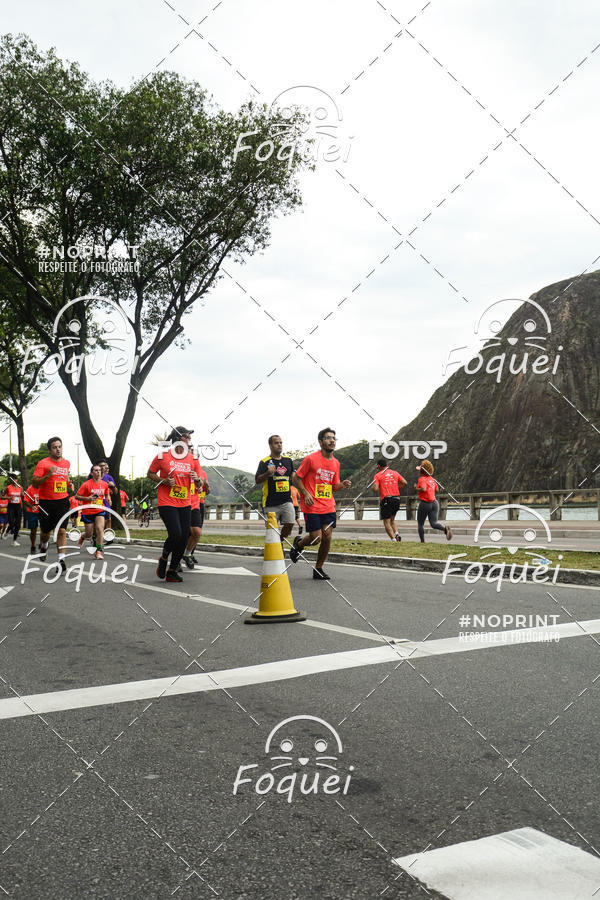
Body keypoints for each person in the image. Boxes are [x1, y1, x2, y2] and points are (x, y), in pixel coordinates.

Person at [289, 428, 351, 580]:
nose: (332, 441)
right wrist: (306, 493)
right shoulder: (311, 459)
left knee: (327, 536)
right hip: (312, 505)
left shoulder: (336, 463)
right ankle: (299, 544)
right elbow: (296, 478)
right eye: (328, 438)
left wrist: (342, 484)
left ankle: (318, 569)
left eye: (334, 438)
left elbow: (333, 486)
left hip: (328, 505)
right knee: (316, 538)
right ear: (321, 441)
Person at [147, 426, 201, 583]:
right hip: (167, 501)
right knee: (176, 534)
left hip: (185, 502)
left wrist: (197, 479)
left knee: (184, 537)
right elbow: (150, 473)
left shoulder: (192, 458)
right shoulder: (163, 456)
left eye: (190, 436)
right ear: (178, 438)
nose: (189, 439)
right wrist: (163, 480)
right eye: (187, 436)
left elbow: (200, 483)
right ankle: (163, 558)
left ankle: (172, 571)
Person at [32, 437, 74, 569]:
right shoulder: (43, 463)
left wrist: (69, 484)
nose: (58, 449)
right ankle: (44, 545)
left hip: (62, 501)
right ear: (50, 450)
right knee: (45, 532)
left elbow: (64, 478)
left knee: (61, 530)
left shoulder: (66, 463)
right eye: (55, 447)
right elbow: (34, 482)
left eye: (60, 447)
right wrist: (48, 476)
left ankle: (61, 560)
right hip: (46, 502)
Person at [255, 435, 295, 543]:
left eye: (281, 443)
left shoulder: (288, 460)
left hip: (287, 500)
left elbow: (293, 476)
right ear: (270, 445)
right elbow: (257, 480)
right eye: (276, 443)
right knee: (272, 530)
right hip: (270, 503)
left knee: (290, 523)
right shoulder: (264, 462)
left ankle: (279, 542)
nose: (279, 445)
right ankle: (275, 546)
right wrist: (268, 473)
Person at [75, 464, 111, 559]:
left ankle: (98, 551)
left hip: (99, 510)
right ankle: (83, 537)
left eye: (99, 470)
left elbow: (106, 494)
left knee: (99, 529)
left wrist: (108, 499)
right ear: (91, 473)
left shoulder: (104, 484)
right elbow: (77, 496)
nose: (98, 472)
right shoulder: (86, 484)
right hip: (88, 511)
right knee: (89, 534)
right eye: (96, 470)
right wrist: (87, 498)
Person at [414, 460, 452, 543]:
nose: (418, 472)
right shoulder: (432, 479)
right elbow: (437, 489)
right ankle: (444, 528)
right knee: (434, 523)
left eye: (419, 470)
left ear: (422, 471)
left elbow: (423, 489)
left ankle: (422, 541)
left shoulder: (421, 479)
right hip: (434, 503)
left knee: (420, 524)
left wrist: (417, 488)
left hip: (425, 503)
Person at [183, 452, 209, 569]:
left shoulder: (202, 472)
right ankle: (177, 558)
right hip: (182, 503)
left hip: (197, 503)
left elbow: (204, 488)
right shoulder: (181, 468)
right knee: (183, 534)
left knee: (197, 532)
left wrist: (204, 485)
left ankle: (188, 554)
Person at [373, 460, 407, 541]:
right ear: (387, 465)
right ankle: (397, 534)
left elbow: (375, 489)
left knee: (386, 522)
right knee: (392, 520)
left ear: (378, 466)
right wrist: (396, 488)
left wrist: (373, 487)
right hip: (396, 499)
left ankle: (393, 540)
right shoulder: (395, 473)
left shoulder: (377, 475)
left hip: (387, 499)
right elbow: (404, 482)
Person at [99, 461, 117, 532]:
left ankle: (108, 536)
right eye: (102, 466)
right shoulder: (93, 476)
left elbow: (115, 492)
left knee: (108, 518)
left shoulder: (109, 477)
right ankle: (97, 533)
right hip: (96, 501)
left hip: (106, 501)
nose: (105, 469)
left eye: (106, 468)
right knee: (99, 520)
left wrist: (113, 486)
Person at [6, 474, 23, 546]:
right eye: (13, 479)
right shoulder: (8, 488)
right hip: (11, 506)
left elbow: (22, 496)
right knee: (11, 523)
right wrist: (9, 498)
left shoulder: (20, 487)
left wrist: (23, 495)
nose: (14, 480)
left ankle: (14, 540)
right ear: (11, 480)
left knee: (18, 524)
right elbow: (2, 495)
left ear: (17, 480)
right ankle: (7, 531)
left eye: (15, 479)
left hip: (18, 506)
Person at [23, 484, 41, 554]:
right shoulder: (30, 488)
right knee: (33, 530)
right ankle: (33, 546)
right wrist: (31, 506)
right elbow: (25, 500)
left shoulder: (44, 487)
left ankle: (42, 543)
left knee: (44, 529)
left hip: (42, 511)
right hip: (32, 512)